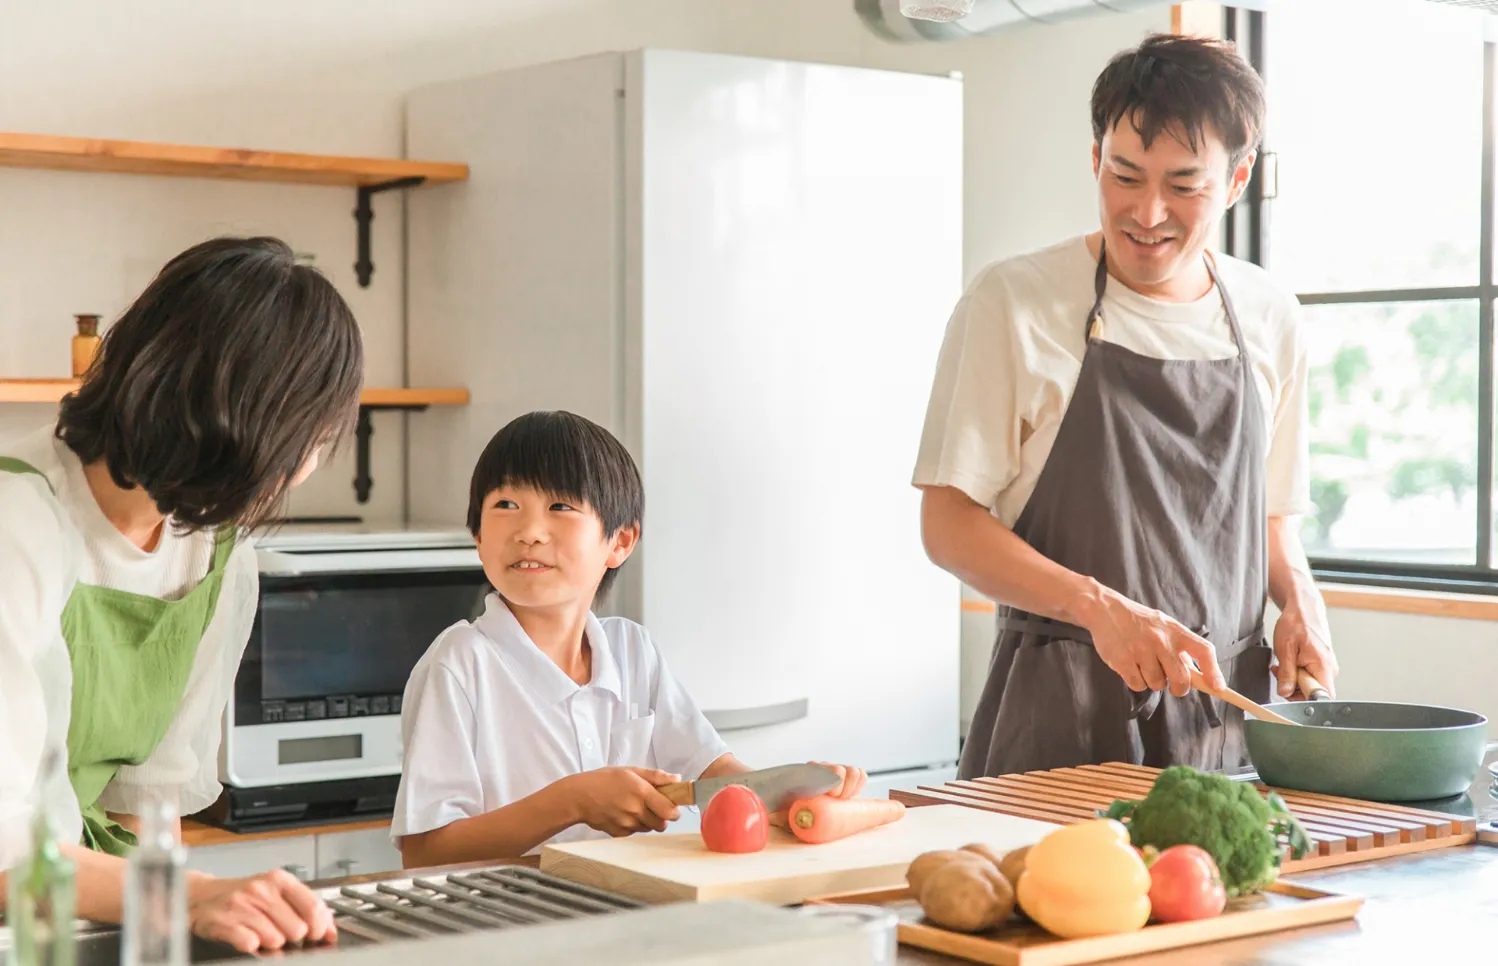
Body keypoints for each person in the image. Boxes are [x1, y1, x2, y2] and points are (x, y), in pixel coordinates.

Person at [911, 34, 1337, 779]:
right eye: (1125, 175)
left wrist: (1299, 601)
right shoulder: (1011, 303)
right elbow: (948, 526)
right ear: (1095, 158)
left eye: (1183, 185)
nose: (1146, 212)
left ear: (1237, 179)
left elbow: (1269, 516)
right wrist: (1099, 607)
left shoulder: (1269, 315)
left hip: (1224, 726)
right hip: (1057, 720)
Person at [0, 236, 361, 950]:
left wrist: (164, 919)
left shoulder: (215, 548)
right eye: (309, 434)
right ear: (232, 413)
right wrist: (189, 897)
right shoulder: (19, 523)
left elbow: (143, 806)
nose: (309, 463)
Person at [393, 410, 866, 865]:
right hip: (506, 930)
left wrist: (789, 792)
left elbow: (712, 772)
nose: (529, 531)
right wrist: (572, 801)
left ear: (620, 542)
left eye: (559, 506)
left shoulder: (633, 651)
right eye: (505, 505)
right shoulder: (458, 665)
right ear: (477, 535)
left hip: (623, 910)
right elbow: (425, 852)